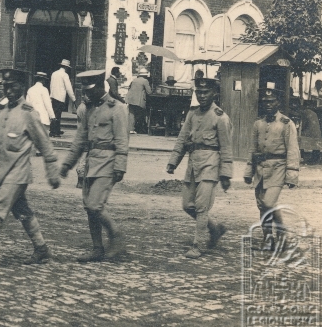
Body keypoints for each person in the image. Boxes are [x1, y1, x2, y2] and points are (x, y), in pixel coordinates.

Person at [0, 68, 60, 270]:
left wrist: (52, 172)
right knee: (23, 211)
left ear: (22, 87)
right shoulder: (0, 112)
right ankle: (41, 249)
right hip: (3, 173)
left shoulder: (29, 114)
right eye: (5, 87)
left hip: (18, 174)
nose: (8, 91)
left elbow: (44, 144)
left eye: (13, 86)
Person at [60, 70, 129, 262]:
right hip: (91, 162)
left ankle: (116, 236)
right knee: (89, 208)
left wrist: (120, 166)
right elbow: (80, 140)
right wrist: (67, 163)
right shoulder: (88, 109)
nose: (87, 94)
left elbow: (122, 140)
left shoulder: (117, 108)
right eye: (85, 90)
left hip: (108, 162)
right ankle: (97, 248)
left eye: (90, 90)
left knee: (95, 205)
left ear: (100, 86)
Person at [167, 77, 232, 259]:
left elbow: (226, 148)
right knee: (187, 205)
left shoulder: (220, 117)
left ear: (214, 94)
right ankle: (215, 229)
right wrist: (173, 161)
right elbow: (182, 138)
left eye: (206, 92)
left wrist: (226, 174)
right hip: (193, 164)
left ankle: (198, 245)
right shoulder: (192, 114)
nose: (202, 96)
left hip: (211, 164)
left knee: (202, 207)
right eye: (199, 92)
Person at [244, 83, 300, 252]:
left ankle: (282, 235)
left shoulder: (286, 123)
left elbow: (293, 149)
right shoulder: (258, 124)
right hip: (260, 170)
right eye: (265, 101)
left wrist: (292, 175)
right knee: (262, 205)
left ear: (278, 103)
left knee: (268, 202)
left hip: (278, 168)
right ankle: (269, 240)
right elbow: (253, 149)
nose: (268, 104)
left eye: (271, 101)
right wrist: (248, 171)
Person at [49, 59, 76, 138]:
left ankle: (56, 129)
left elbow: (51, 85)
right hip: (60, 97)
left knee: (54, 114)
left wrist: (51, 95)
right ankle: (53, 132)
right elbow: (68, 88)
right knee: (58, 115)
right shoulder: (65, 75)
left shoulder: (54, 73)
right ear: (66, 67)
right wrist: (73, 99)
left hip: (54, 96)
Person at [26, 72, 56, 136]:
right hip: (42, 117)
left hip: (32, 117)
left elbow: (27, 104)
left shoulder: (30, 90)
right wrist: (52, 116)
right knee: (42, 136)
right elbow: (48, 104)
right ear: (43, 80)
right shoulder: (44, 90)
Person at [126, 69, 152, 135]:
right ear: (145, 75)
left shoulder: (134, 80)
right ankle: (140, 129)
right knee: (140, 114)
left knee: (131, 114)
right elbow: (149, 92)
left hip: (131, 99)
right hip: (139, 100)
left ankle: (131, 129)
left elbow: (129, 88)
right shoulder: (145, 81)